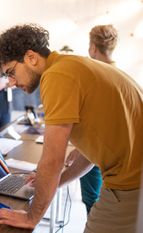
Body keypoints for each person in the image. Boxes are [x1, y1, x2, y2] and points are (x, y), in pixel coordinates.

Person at [0, 24, 143, 233]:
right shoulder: (70, 66)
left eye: (11, 72)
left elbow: (52, 159)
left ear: (31, 57)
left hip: (131, 183)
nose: (11, 83)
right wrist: (57, 181)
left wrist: (32, 217)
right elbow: (90, 154)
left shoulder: (57, 76)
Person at [68, 24, 118, 214]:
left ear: (93, 48)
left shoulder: (97, 76)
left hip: (96, 154)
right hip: (108, 154)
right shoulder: (119, 75)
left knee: (92, 202)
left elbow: (97, 124)